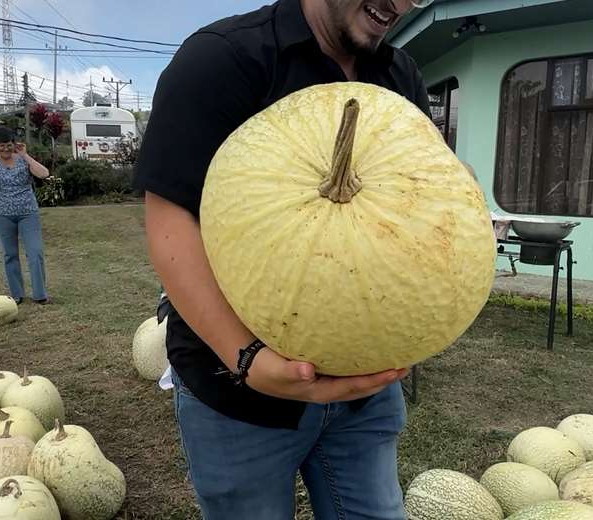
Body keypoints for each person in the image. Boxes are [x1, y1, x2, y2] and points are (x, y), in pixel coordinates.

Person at [134, 1, 435, 518]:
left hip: (364, 393)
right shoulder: (221, 59)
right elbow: (169, 224)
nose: (403, 3)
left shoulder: (400, 76)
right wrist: (247, 358)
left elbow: (420, 201)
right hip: (234, 392)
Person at [0, 125, 52, 305]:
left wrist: (25, 155)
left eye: (8, 145)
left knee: (35, 252)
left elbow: (44, 173)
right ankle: (17, 294)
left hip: (27, 213)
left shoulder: (23, 159)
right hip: (2, 214)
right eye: (1, 146)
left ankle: (40, 294)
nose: (5, 149)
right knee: (9, 254)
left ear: (14, 144)